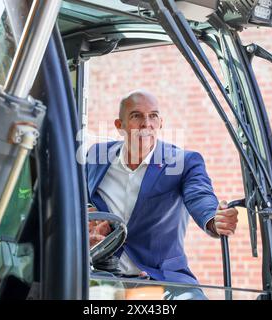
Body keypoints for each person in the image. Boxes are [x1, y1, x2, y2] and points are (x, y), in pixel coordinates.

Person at [86, 89, 239, 300]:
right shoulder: (96, 156)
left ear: (160, 123)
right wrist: (89, 217)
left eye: (153, 116)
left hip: (162, 280)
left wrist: (214, 219)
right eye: (136, 116)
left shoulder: (183, 162)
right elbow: (80, 198)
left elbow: (199, 196)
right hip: (104, 276)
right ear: (119, 126)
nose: (146, 124)